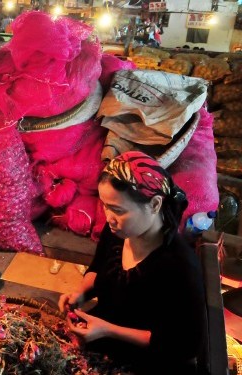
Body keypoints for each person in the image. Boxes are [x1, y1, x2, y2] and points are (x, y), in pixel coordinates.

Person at [58, 151, 207, 374]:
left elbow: (185, 347)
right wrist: (80, 293)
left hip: (147, 362)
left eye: (118, 210)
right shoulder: (116, 232)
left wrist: (109, 330)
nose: (108, 217)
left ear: (155, 204)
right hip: (104, 342)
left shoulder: (180, 266)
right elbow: (98, 268)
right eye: (106, 206)